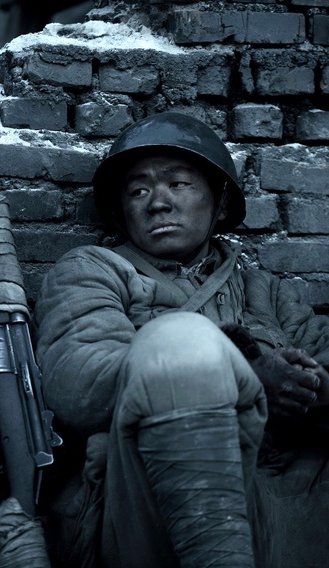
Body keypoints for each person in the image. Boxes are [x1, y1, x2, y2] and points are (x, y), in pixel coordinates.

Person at [33, 111, 329, 568]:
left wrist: (304, 388)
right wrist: (240, 378)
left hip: (288, 498)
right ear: (121, 212)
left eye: (179, 184)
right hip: (150, 500)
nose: (158, 203)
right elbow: (79, 385)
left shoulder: (266, 291)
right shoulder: (92, 271)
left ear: (221, 204)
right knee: (180, 341)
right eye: (138, 191)